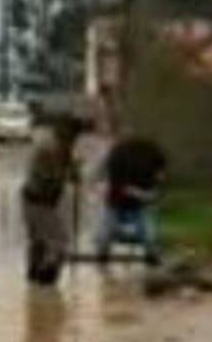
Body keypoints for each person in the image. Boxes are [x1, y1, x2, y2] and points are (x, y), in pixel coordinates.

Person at [22, 115, 82, 286]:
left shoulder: (63, 148)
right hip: (38, 199)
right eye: (74, 136)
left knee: (39, 241)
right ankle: (46, 280)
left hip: (40, 199)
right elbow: (48, 176)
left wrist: (74, 171)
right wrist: (68, 174)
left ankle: (35, 286)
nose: (75, 140)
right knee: (59, 242)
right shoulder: (50, 149)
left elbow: (69, 170)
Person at [96, 137, 167, 265]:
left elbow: (160, 177)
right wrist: (144, 195)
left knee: (150, 236)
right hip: (116, 204)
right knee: (104, 234)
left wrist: (155, 190)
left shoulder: (153, 159)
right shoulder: (117, 161)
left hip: (140, 206)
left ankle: (152, 257)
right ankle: (102, 256)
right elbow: (121, 187)